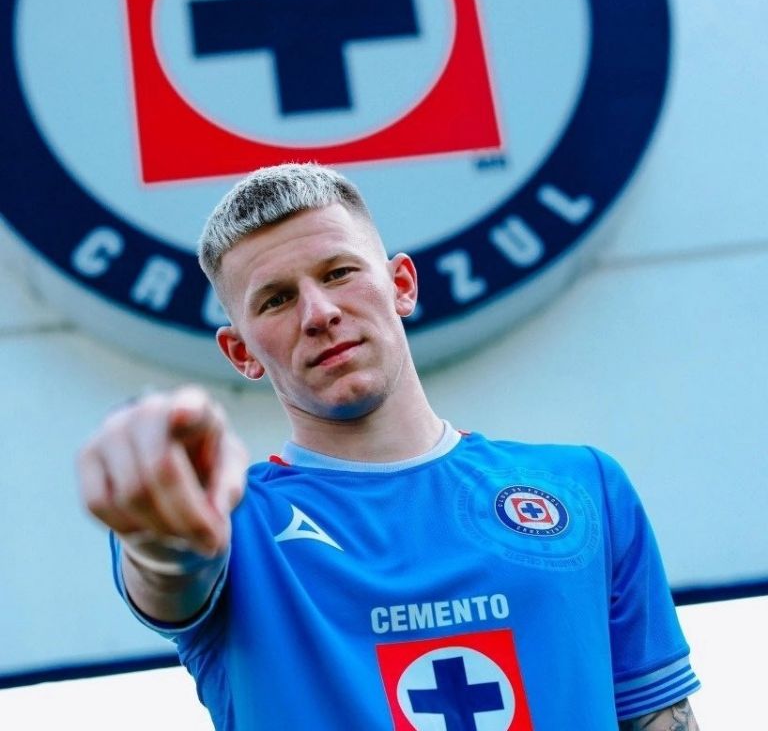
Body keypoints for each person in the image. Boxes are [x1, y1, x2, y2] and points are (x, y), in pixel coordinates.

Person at [78, 163, 701, 730]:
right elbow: (169, 568)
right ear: (241, 352)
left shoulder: (583, 487)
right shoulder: (231, 515)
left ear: (401, 284)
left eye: (339, 273)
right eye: (276, 299)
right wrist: (156, 518)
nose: (319, 313)